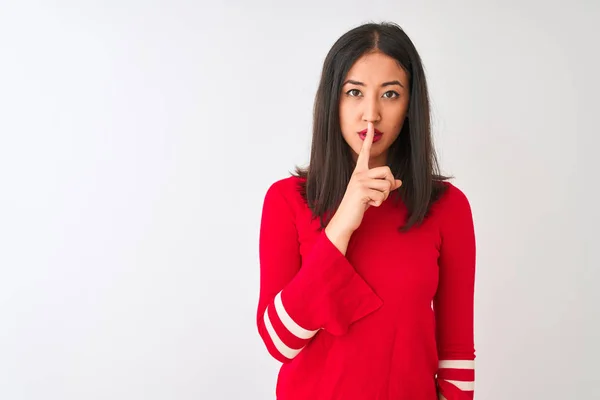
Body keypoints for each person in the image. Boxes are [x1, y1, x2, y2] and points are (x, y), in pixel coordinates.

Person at [256, 21, 476, 400]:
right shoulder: (286, 200)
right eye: (354, 92)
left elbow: (456, 356)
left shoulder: (448, 207)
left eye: (390, 94)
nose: (371, 114)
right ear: (333, 101)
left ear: (410, 107)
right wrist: (342, 223)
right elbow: (281, 342)